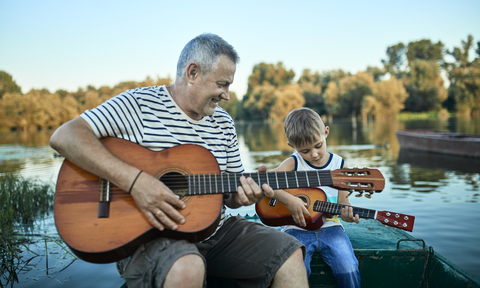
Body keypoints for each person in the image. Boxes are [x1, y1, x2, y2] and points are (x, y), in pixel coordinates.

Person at [50, 33, 308, 288]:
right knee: (187, 266)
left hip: (216, 232)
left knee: (290, 252)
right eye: (222, 84)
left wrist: (243, 197)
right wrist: (136, 182)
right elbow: (66, 136)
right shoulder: (139, 104)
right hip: (148, 239)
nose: (227, 95)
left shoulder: (224, 123)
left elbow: (230, 194)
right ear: (193, 72)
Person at [269, 107, 361, 288]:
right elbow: (267, 182)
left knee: (348, 266)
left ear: (326, 132)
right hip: (296, 229)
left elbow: (344, 202)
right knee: (297, 270)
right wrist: (290, 200)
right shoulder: (294, 162)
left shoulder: (339, 165)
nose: (314, 154)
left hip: (331, 228)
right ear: (292, 146)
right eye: (305, 150)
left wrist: (348, 213)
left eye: (318, 145)